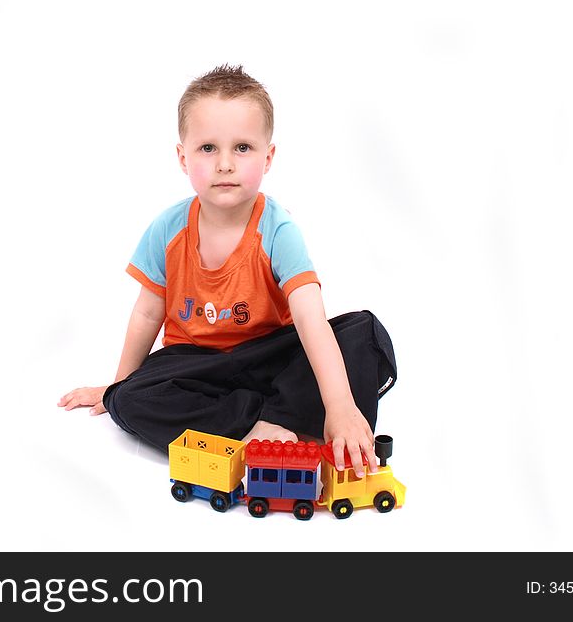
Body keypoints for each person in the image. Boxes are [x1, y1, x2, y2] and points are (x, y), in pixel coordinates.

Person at [58, 64, 396, 477]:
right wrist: (117, 388)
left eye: (242, 148)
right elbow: (148, 314)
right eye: (207, 149)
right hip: (199, 366)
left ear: (268, 157)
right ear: (182, 158)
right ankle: (262, 424)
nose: (224, 164)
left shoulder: (277, 230)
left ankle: (291, 419)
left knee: (365, 334)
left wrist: (341, 405)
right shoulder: (167, 229)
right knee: (131, 399)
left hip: (271, 356)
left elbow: (311, 319)